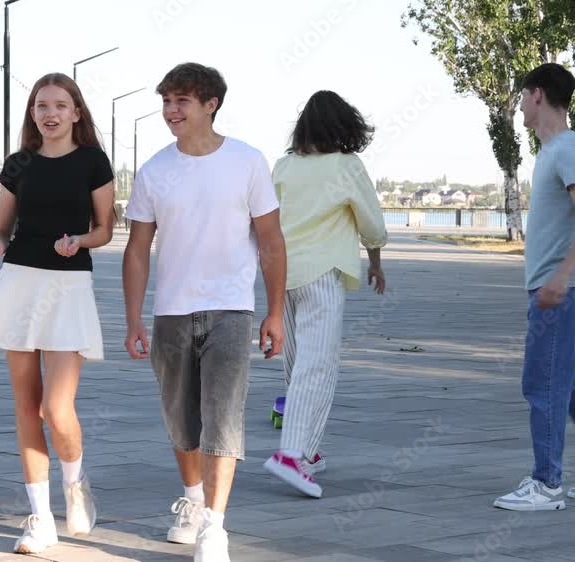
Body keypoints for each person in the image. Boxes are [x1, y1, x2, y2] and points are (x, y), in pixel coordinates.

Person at [122, 62, 286, 562]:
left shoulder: (247, 161)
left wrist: (275, 312)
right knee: (181, 419)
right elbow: (136, 249)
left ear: (211, 104)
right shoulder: (154, 171)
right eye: (166, 102)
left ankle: (215, 526)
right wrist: (133, 319)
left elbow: (271, 241)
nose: (171, 111)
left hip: (231, 310)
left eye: (182, 101)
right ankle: (193, 500)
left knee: (223, 417)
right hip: (172, 311)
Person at [0, 72, 115, 554]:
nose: (49, 113)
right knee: (26, 407)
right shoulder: (19, 163)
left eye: (59, 105)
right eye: (41, 106)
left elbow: (104, 229)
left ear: (76, 113)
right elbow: (1, 229)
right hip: (19, 284)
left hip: (68, 286)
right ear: (32, 113)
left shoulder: (93, 161)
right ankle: (40, 518)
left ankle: (75, 483)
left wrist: (80, 240)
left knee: (56, 408)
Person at [260, 90, 387, 499]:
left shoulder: (283, 166)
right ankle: (290, 454)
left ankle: (308, 453)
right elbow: (372, 225)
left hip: (283, 277)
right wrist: (376, 261)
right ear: (344, 126)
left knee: (298, 365)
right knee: (318, 368)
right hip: (322, 276)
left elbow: (264, 223)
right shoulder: (347, 166)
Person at [493, 62, 575, 511]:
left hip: (556, 292)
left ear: (537, 94)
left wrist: (565, 276)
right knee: (572, 384)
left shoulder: (567, 150)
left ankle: (546, 485)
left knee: (543, 383)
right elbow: (573, 224)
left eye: (522, 96)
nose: (520, 105)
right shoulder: (553, 152)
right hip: (562, 288)